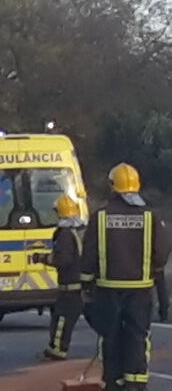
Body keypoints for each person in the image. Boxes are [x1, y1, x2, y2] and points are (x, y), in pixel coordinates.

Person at [80, 163, 171, 391]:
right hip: (140, 290)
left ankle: (113, 380)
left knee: (110, 336)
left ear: (113, 187)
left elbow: (89, 254)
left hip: (107, 289)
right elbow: (161, 253)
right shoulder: (150, 217)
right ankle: (135, 381)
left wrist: (86, 285)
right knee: (138, 335)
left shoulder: (100, 217)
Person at [37, 194, 86, 361]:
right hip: (85, 283)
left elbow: (63, 260)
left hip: (70, 285)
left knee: (62, 318)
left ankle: (57, 349)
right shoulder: (82, 230)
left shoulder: (65, 234)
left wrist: (42, 258)